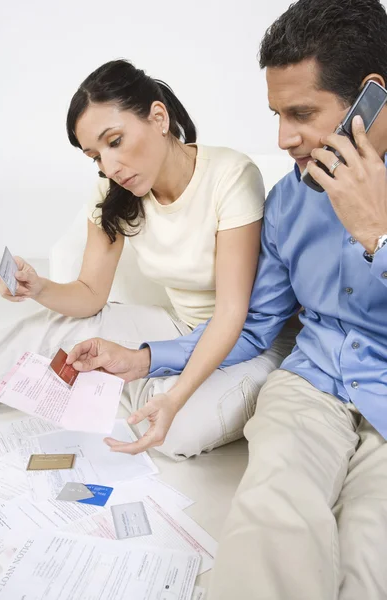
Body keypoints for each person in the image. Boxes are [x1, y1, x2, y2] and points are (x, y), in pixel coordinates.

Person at [0, 59, 296, 460]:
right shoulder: (112, 193)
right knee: (51, 328)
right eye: (95, 156)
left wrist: (160, 379)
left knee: (175, 431)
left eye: (114, 141)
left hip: (251, 342)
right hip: (177, 326)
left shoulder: (231, 175)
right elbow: (89, 295)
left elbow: (231, 316)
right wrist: (39, 287)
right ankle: (128, 379)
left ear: (158, 117)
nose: (109, 167)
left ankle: (131, 382)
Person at [207, 0, 387, 598]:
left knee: (370, 558)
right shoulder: (290, 199)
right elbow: (255, 327)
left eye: (301, 113)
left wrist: (377, 236)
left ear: (371, 97)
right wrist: (147, 357)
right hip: (311, 385)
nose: (284, 139)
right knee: (268, 517)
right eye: (277, 114)